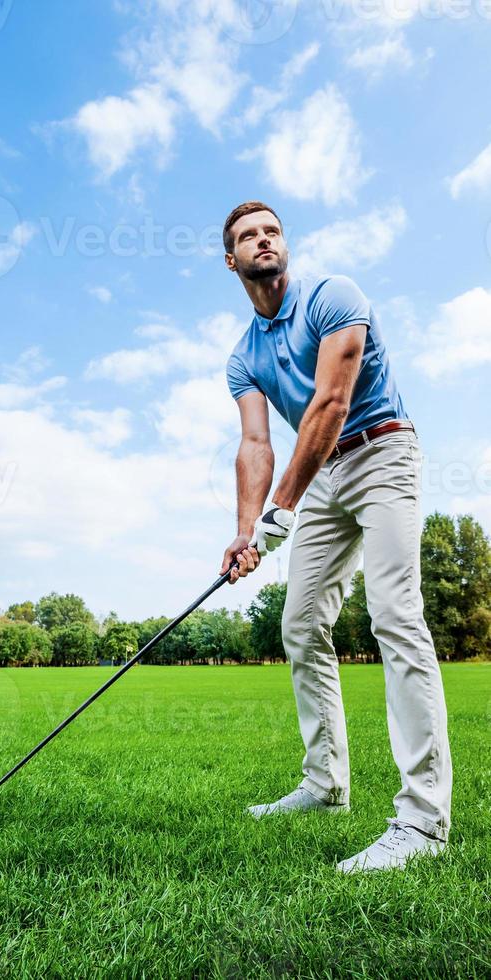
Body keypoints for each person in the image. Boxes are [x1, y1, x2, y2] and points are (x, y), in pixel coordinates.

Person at [219, 200, 452, 873]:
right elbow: (257, 443)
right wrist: (245, 532)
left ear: (284, 244)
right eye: (246, 237)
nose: (263, 240)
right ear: (231, 260)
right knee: (299, 624)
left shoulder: (333, 296)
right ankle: (324, 787)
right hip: (319, 476)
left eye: (272, 230)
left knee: (395, 615)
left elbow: (330, 403)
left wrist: (279, 512)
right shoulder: (244, 357)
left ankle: (422, 821)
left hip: (381, 452)